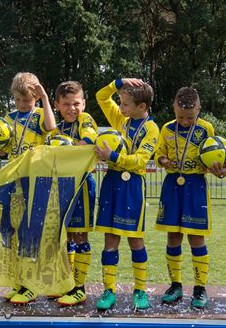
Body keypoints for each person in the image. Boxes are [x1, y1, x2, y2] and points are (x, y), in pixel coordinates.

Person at [0, 71, 56, 304]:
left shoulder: (41, 114)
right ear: (13, 96)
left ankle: (30, 286)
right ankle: (19, 282)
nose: (23, 104)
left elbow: (51, 128)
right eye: (19, 100)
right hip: (12, 180)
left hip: (34, 181)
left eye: (28, 100)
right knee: (10, 231)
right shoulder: (7, 119)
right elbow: (2, 150)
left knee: (29, 232)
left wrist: (45, 100)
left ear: (35, 98)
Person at [154, 87, 226, 310]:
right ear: (174, 108)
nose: (185, 121)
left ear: (199, 110)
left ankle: (200, 288)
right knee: (173, 237)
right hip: (172, 185)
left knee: (196, 238)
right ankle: (175, 285)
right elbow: (158, 154)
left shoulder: (206, 128)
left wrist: (220, 169)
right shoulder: (166, 128)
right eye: (180, 116)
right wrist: (164, 161)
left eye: (190, 117)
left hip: (196, 185)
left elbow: (217, 155)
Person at [94, 78, 159, 311]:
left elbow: (140, 160)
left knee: (135, 240)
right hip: (111, 182)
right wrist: (117, 82)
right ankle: (108, 290)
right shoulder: (120, 119)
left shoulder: (152, 129)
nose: (120, 108)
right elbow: (101, 96)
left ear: (142, 107)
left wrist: (112, 156)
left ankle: (140, 291)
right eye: (120, 103)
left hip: (133, 186)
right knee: (110, 238)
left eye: (125, 104)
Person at [51, 81, 98, 306]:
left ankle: (80, 288)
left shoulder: (85, 120)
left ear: (84, 104)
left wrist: (64, 151)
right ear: (57, 105)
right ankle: (67, 283)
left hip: (82, 186)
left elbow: (87, 141)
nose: (72, 108)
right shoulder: (59, 127)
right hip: (64, 186)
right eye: (66, 104)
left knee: (80, 236)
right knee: (66, 236)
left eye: (76, 103)